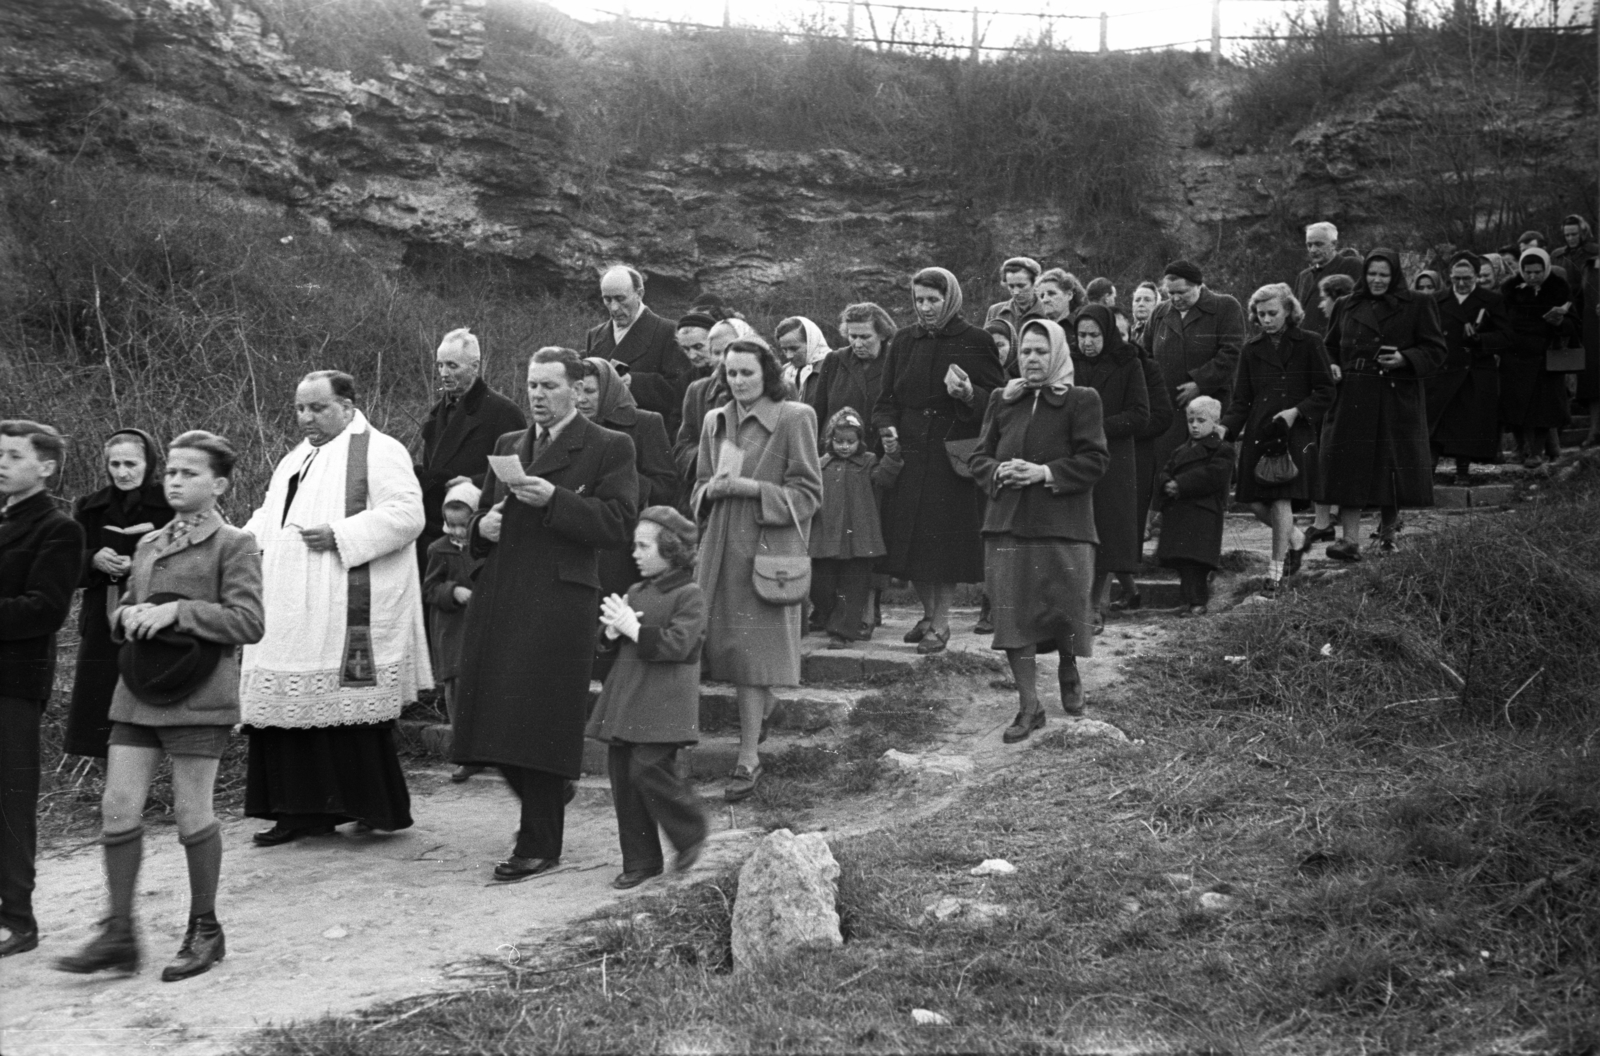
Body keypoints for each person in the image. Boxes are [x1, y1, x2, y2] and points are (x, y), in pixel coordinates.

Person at [54, 431, 263, 982]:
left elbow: (249, 622)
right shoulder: (147, 545)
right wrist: (127, 617)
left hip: (199, 696)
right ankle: (119, 932)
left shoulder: (235, 543)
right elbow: (124, 609)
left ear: (218, 484)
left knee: (192, 811)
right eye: (170, 472)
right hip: (138, 692)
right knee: (118, 806)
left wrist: (178, 613)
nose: (174, 481)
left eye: (188, 473)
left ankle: (205, 930)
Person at [451, 347, 637, 882]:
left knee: (538, 722)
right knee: (490, 715)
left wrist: (554, 498)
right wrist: (483, 530)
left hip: (559, 600)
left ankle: (539, 844)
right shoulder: (509, 444)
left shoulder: (608, 446)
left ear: (577, 390)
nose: (537, 396)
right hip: (503, 595)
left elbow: (618, 523)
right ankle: (551, 793)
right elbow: (487, 519)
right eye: (532, 385)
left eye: (550, 387)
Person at [240, 371, 430, 845]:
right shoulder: (294, 459)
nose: (306, 418)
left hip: (343, 602)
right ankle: (300, 811)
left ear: (346, 406)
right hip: (290, 604)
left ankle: (368, 807)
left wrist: (342, 535)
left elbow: (409, 514)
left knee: (345, 713)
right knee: (287, 704)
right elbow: (269, 515)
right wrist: (234, 546)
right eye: (301, 408)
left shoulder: (380, 450)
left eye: (317, 408)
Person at [694, 338, 823, 802]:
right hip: (719, 551)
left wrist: (751, 488)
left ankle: (748, 756)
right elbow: (697, 488)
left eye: (747, 372)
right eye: (730, 373)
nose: (738, 381)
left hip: (766, 551)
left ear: (767, 374)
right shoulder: (715, 421)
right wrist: (709, 491)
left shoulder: (795, 418)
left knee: (751, 659)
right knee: (720, 648)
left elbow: (808, 495)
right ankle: (765, 708)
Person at [969, 319, 1108, 743]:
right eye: (1025, 351)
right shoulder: (1002, 398)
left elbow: (1095, 460)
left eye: (1041, 352)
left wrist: (1043, 472)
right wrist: (998, 472)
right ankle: (1029, 705)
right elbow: (978, 457)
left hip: (1062, 526)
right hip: (1007, 523)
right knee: (1011, 615)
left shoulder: (1081, 400)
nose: (1031, 359)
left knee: (1064, 607)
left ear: (1058, 355)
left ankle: (1068, 663)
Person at [871, 267, 1007, 655]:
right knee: (911, 542)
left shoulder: (975, 340)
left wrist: (968, 395)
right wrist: (887, 428)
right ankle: (929, 615)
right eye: (919, 300)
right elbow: (885, 401)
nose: (926, 308)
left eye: (933, 300)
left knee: (940, 544)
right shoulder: (902, 340)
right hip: (910, 452)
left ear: (950, 299)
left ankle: (943, 622)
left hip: (949, 456)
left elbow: (997, 401)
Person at [587, 507, 710, 891]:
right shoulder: (637, 591)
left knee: (647, 770)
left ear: (670, 549)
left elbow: (678, 645)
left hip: (664, 704)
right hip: (628, 699)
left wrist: (636, 629)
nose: (635, 553)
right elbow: (613, 644)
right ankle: (641, 861)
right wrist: (609, 634)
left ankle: (690, 829)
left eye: (644, 546)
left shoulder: (689, 595)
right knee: (623, 777)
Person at [0, 421, 85, 960]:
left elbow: (46, 609)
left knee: (10, 801)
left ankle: (17, 918)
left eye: (12, 455)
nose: (1, 463)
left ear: (46, 467)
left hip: (12, 683)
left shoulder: (59, 528)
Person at [1318, 248, 1447, 559]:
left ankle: (1388, 536)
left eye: (1384, 275)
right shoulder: (1347, 304)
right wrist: (1332, 365)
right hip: (1352, 395)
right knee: (1349, 466)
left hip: (1394, 394)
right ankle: (1349, 541)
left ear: (1395, 276)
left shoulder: (1418, 303)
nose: (1377, 280)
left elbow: (1436, 350)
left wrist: (1405, 358)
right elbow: (1330, 347)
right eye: (1372, 274)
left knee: (1390, 466)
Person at [1220, 284, 1337, 591]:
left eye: (1273, 313)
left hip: (1294, 433)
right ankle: (1297, 539)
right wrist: (1225, 429)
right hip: (1260, 433)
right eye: (1261, 315)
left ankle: (1275, 572)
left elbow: (1326, 391)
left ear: (1289, 311)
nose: (1267, 319)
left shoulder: (1310, 343)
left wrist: (1297, 411)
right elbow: (1241, 400)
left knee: (1280, 498)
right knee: (1256, 503)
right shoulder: (1251, 349)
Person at [65, 429, 173, 759]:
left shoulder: (170, 504)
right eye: (115, 463)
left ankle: (153, 762)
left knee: (149, 686)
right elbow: (67, 561)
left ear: (148, 463)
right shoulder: (89, 507)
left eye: (131, 463)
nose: (122, 472)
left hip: (153, 612)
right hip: (102, 616)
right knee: (99, 690)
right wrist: (93, 558)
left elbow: (188, 559)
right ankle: (103, 767)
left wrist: (139, 565)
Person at [1144, 259, 1247, 535]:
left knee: (1205, 462)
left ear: (1199, 287)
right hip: (1168, 406)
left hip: (1209, 404)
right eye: (1171, 293)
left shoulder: (1225, 307)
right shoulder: (1160, 314)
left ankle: (1205, 523)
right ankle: (1167, 520)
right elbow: (1146, 355)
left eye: (1182, 293)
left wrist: (1199, 382)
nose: (1175, 299)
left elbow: (1231, 352)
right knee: (1168, 461)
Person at [413, 328, 527, 578]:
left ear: (475, 366)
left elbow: (518, 476)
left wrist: (473, 482)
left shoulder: (503, 412)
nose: (443, 373)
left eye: (452, 365)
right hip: (437, 530)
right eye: (440, 365)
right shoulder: (436, 413)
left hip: (475, 535)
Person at [576, 357, 678, 604]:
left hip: (622, 545)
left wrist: (621, 477)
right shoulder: (567, 426)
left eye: (590, 391)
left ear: (609, 389)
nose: (581, 400)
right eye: (576, 391)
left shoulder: (645, 423)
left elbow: (666, 487)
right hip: (577, 536)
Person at [1070, 304, 1149, 628]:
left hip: (1113, 459)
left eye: (1094, 335)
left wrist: (1097, 425)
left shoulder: (1128, 361)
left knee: (1107, 532)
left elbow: (1139, 413)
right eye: (1082, 335)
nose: (1087, 342)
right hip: (1074, 456)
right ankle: (1074, 605)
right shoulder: (1070, 362)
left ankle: (1094, 607)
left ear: (1108, 333)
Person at [809, 408, 901, 648]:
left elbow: (886, 478)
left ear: (860, 441)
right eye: (838, 441)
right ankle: (831, 617)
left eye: (850, 441)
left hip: (859, 537)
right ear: (829, 440)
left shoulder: (869, 462)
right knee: (820, 584)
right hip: (825, 536)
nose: (844, 446)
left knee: (853, 585)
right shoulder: (821, 464)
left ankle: (842, 631)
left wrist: (892, 455)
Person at [1427, 252, 1511, 484]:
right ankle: (1427, 474)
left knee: (1465, 424)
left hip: (1474, 371)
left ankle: (1462, 471)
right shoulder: (1436, 299)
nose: (1462, 284)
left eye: (1467, 279)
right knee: (1436, 423)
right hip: (1442, 370)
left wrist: (1480, 340)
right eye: (1457, 279)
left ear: (1476, 276)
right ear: (1449, 277)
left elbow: (1505, 336)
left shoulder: (1491, 300)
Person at [422, 481, 485, 784]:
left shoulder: (486, 546)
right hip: (453, 630)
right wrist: (453, 591)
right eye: (453, 526)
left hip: (483, 627)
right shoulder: (439, 549)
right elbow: (429, 588)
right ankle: (465, 756)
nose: (458, 532)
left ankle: (489, 750)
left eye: (464, 525)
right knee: (457, 691)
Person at [585, 265, 693, 435]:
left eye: (620, 298)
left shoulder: (668, 332)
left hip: (645, 436)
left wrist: (633, 382)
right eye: (607, 299)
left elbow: (681, 392)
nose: (614, 307)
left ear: (639, 294)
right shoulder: (595, 335)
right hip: (600, 437)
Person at [1154, 398, 1235, 616]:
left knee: (1195, 564)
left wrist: (1180, 484)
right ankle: (1188, 601)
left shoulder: (1221, 449)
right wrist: (1166, 483)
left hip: (1202, 514)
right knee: (1182, 562)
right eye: (1191, 420)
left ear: (1215, 421)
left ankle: (1198, 602)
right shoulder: (1180, 449)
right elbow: (1166, 470)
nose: (1195, 425)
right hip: (1180, 512)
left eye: (1201, 420)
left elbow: (1213, 476)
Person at [1498, 247, 1577, 467]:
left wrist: (1561, 322)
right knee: (1514, 404)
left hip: (1544, 356)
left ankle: (1537, 451)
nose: (1532, 276)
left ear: (1546, 269)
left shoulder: (1559, 289)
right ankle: (1520, 447)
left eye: (1537, 272)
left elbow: (1574, 323)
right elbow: (1499, 319)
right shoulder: (1509, 289)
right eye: (1527, 272)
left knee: (1545, 407)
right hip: (1514, 355)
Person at [673, 318, 754, 507]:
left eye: (729, 350)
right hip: (711, 495)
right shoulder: (697, 391)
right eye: (716, 352)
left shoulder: (779, 390)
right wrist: (711, 457)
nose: (722, 359)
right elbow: (681, 448)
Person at [811, 303, 894, 454]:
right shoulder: (834, 360)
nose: (857, 343)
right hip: (835, 455)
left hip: (877, 456)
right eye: (853, 336)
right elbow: (818, 411)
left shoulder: (895, 362)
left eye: (865, 337)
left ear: (882, 334)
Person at [1295, 222, 1365, 338]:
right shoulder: (1304, 276)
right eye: (1309, 245)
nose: (1312, 250)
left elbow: (1358, 307)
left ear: (1334, 244)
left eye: (1318, 244)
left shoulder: (1350, 265)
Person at [776, 317, 830, 405]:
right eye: (784, 350)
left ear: (811, 343)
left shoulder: (833, 369)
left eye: (794, 349)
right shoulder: (785, 372)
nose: (789, 356)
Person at [985, 256, 1043, 331]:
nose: (1016, 292)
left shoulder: (1048, 311)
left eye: (1021, 286)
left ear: (1035, 283)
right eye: (1011, 286)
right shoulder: (995, 311)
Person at [1033, 268, 1088, 332]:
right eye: (1042, 296)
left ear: (1069, 295)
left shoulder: (1081, 327)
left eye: (1051, 293)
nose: (1045, 300)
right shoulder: (1037, 330)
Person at [1129, 281, 1162, 349]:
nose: (1141, 304)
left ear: (1156, 304)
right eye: (1137, 300)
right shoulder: (1127, 333)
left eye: (1147, 300)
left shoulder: (1161, 332)